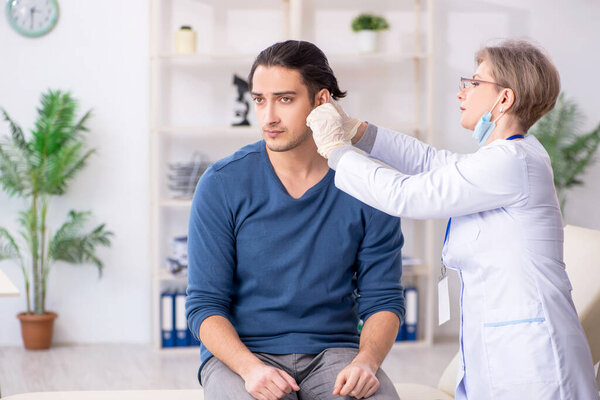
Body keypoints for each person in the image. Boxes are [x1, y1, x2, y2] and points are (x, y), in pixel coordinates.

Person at [306, 39, 599, 399]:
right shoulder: (504, 156)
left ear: (504, 99)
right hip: (501, 347)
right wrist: (358, 131)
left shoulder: (511, 162)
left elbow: (406, 195)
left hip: (531, 357)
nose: (462, 92)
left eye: (475, 83)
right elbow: (430, 161)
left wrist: (337, 150)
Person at [185, 40, 405, 400]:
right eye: (259, 99)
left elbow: (383, 299)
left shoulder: (368, 185)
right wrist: (249, 368)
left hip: (336, 353)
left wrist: (367, 361)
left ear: (321, 101)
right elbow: (204, 305)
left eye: (285, 99)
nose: (268, 116)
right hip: (242, 355)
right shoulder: (222, 183)